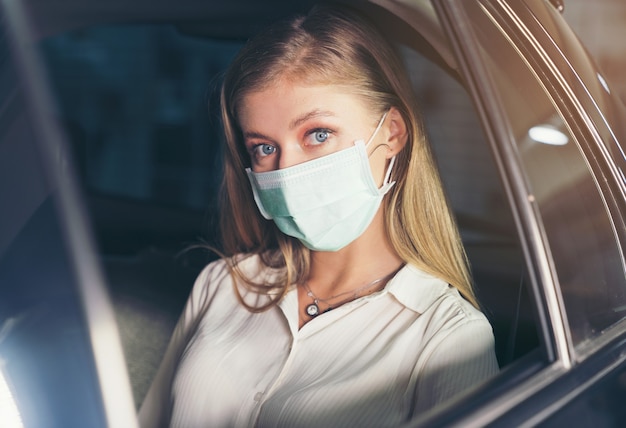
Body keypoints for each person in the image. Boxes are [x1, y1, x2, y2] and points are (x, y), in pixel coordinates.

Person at [139, 5, 498, 427]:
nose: (287, 172)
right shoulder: (223, 283)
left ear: (392, 133)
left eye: (318, 135)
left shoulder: (447, 337)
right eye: (264, 147)